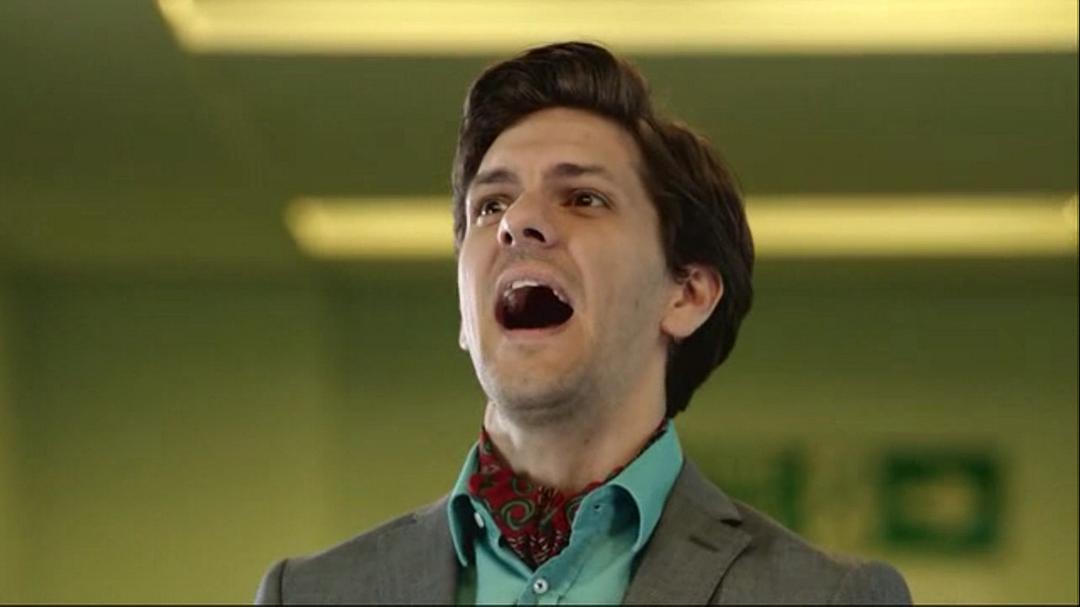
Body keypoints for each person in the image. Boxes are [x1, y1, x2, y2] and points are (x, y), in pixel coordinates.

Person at [255, 41, 911, 605]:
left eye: (583, 197)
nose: (518, 221)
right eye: (490, 205)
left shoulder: (824, 596)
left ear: (686, 294)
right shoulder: (309, 593)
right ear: (464, 310)